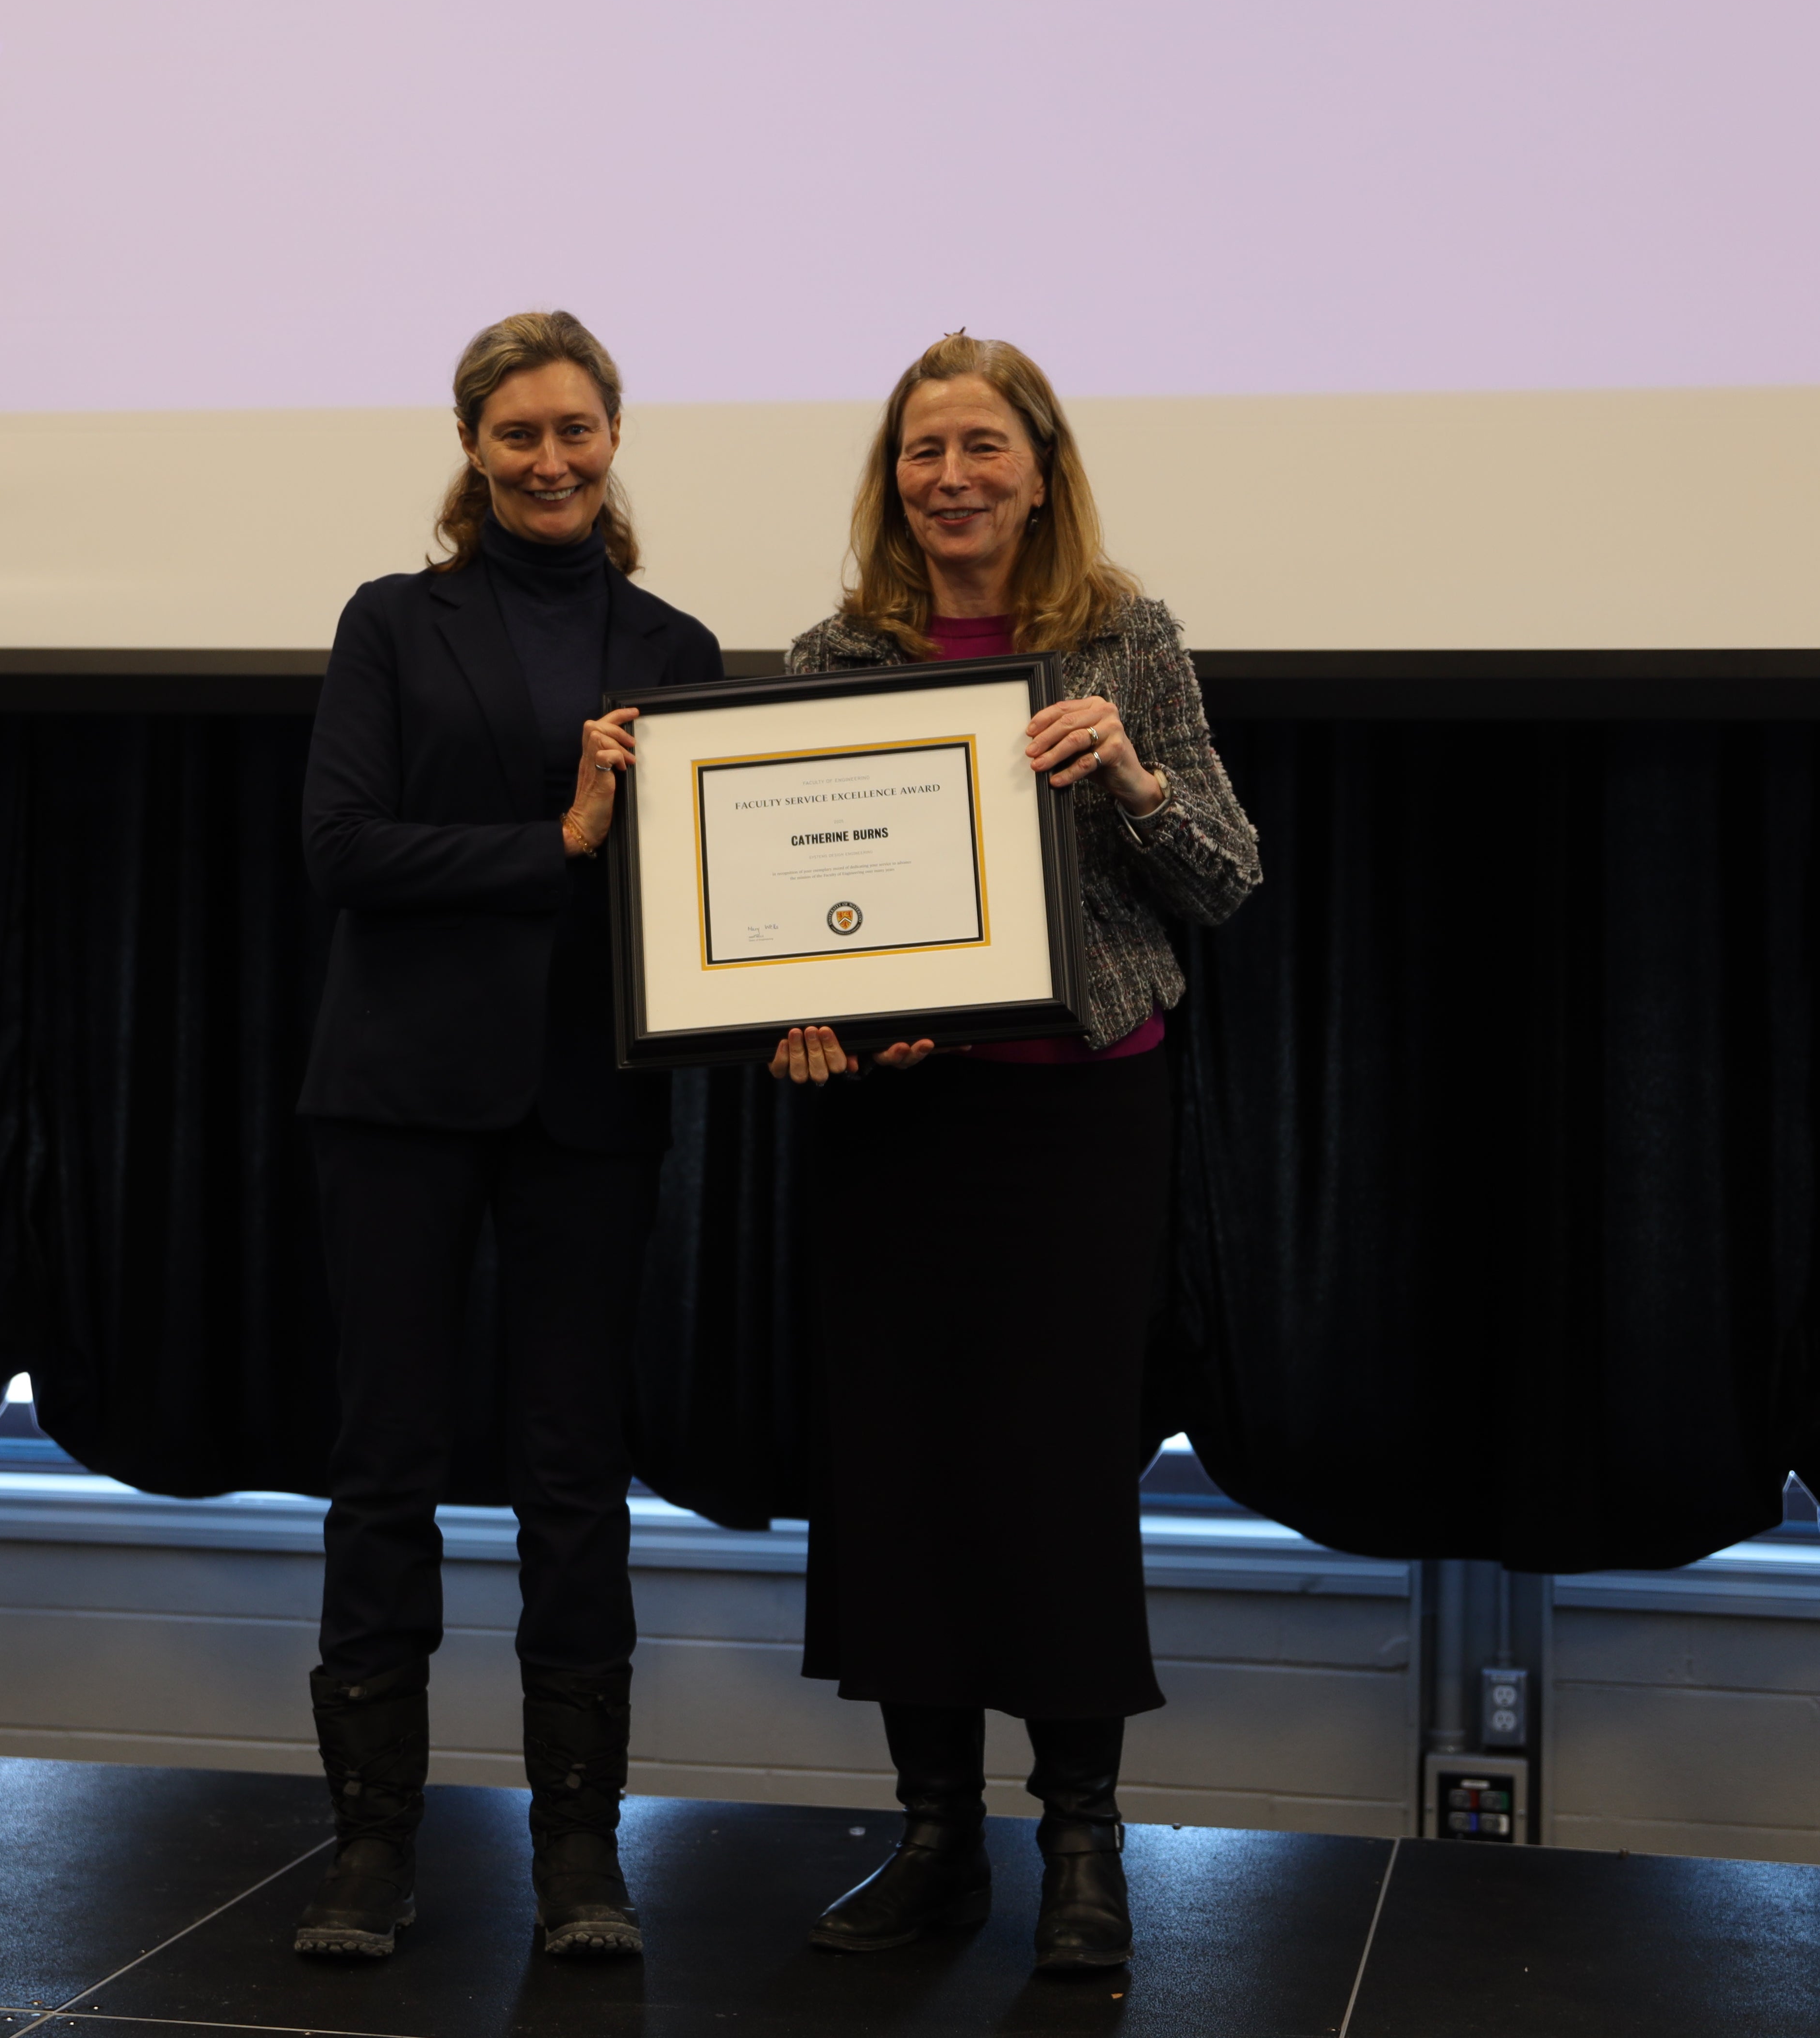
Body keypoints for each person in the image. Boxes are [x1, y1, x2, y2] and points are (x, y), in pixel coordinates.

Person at [772, 333, 1261, 1974]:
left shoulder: (1127, 637)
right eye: (924, 452)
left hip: (1077, 1111)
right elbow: (797, 917)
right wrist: (805, 1012)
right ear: (891, 476)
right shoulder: (835, 655)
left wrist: (1125, 771)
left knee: (1056, 1472)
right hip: (900, 1128)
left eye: (983, 447)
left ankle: (1080, 1851)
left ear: (1041, 467)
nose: (953, 479)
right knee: (901, 1468)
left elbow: (1227, 878)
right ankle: (934, 1842)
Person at [291, 311, 721, 1962]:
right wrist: (558, 836)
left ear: (616, 438)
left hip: (589, 1105)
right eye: (518, 434)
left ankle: (581, 1864)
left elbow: (699, 900)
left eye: (578, 431)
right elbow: (344, 848)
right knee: (384, 1470)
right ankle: (368, 1854)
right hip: (396, 1099)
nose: (552, 460)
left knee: (575, 1482)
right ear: (472, 447)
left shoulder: (675, 644)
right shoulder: (394, 623)